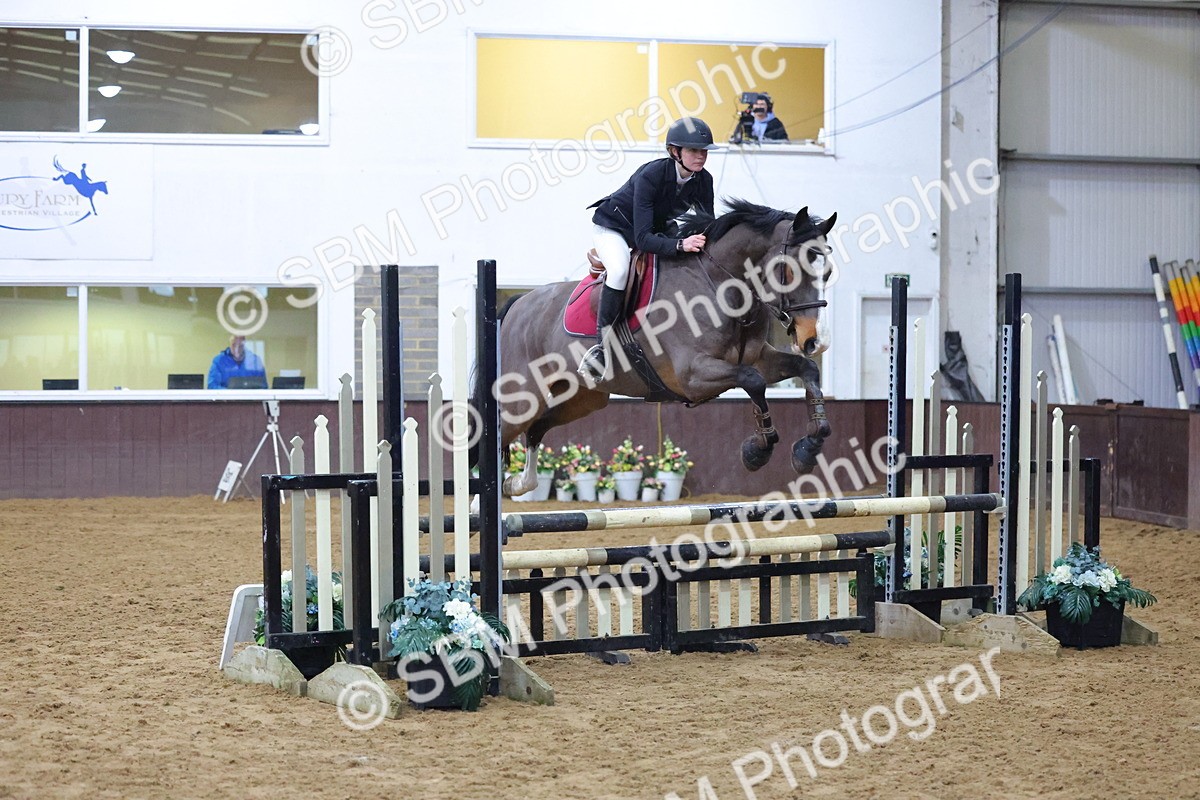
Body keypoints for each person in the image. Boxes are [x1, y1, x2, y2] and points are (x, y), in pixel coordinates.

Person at [580, 116, 718, 381]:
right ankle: (601, 349)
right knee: (620, 271)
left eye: (704, 151)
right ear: (675, 152)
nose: (701, 156)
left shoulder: (704, 180)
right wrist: (681, 244)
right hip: (615, 228)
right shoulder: (651, 174)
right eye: (694, 150)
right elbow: (643, 239)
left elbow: (706, 225)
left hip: (655, 228)